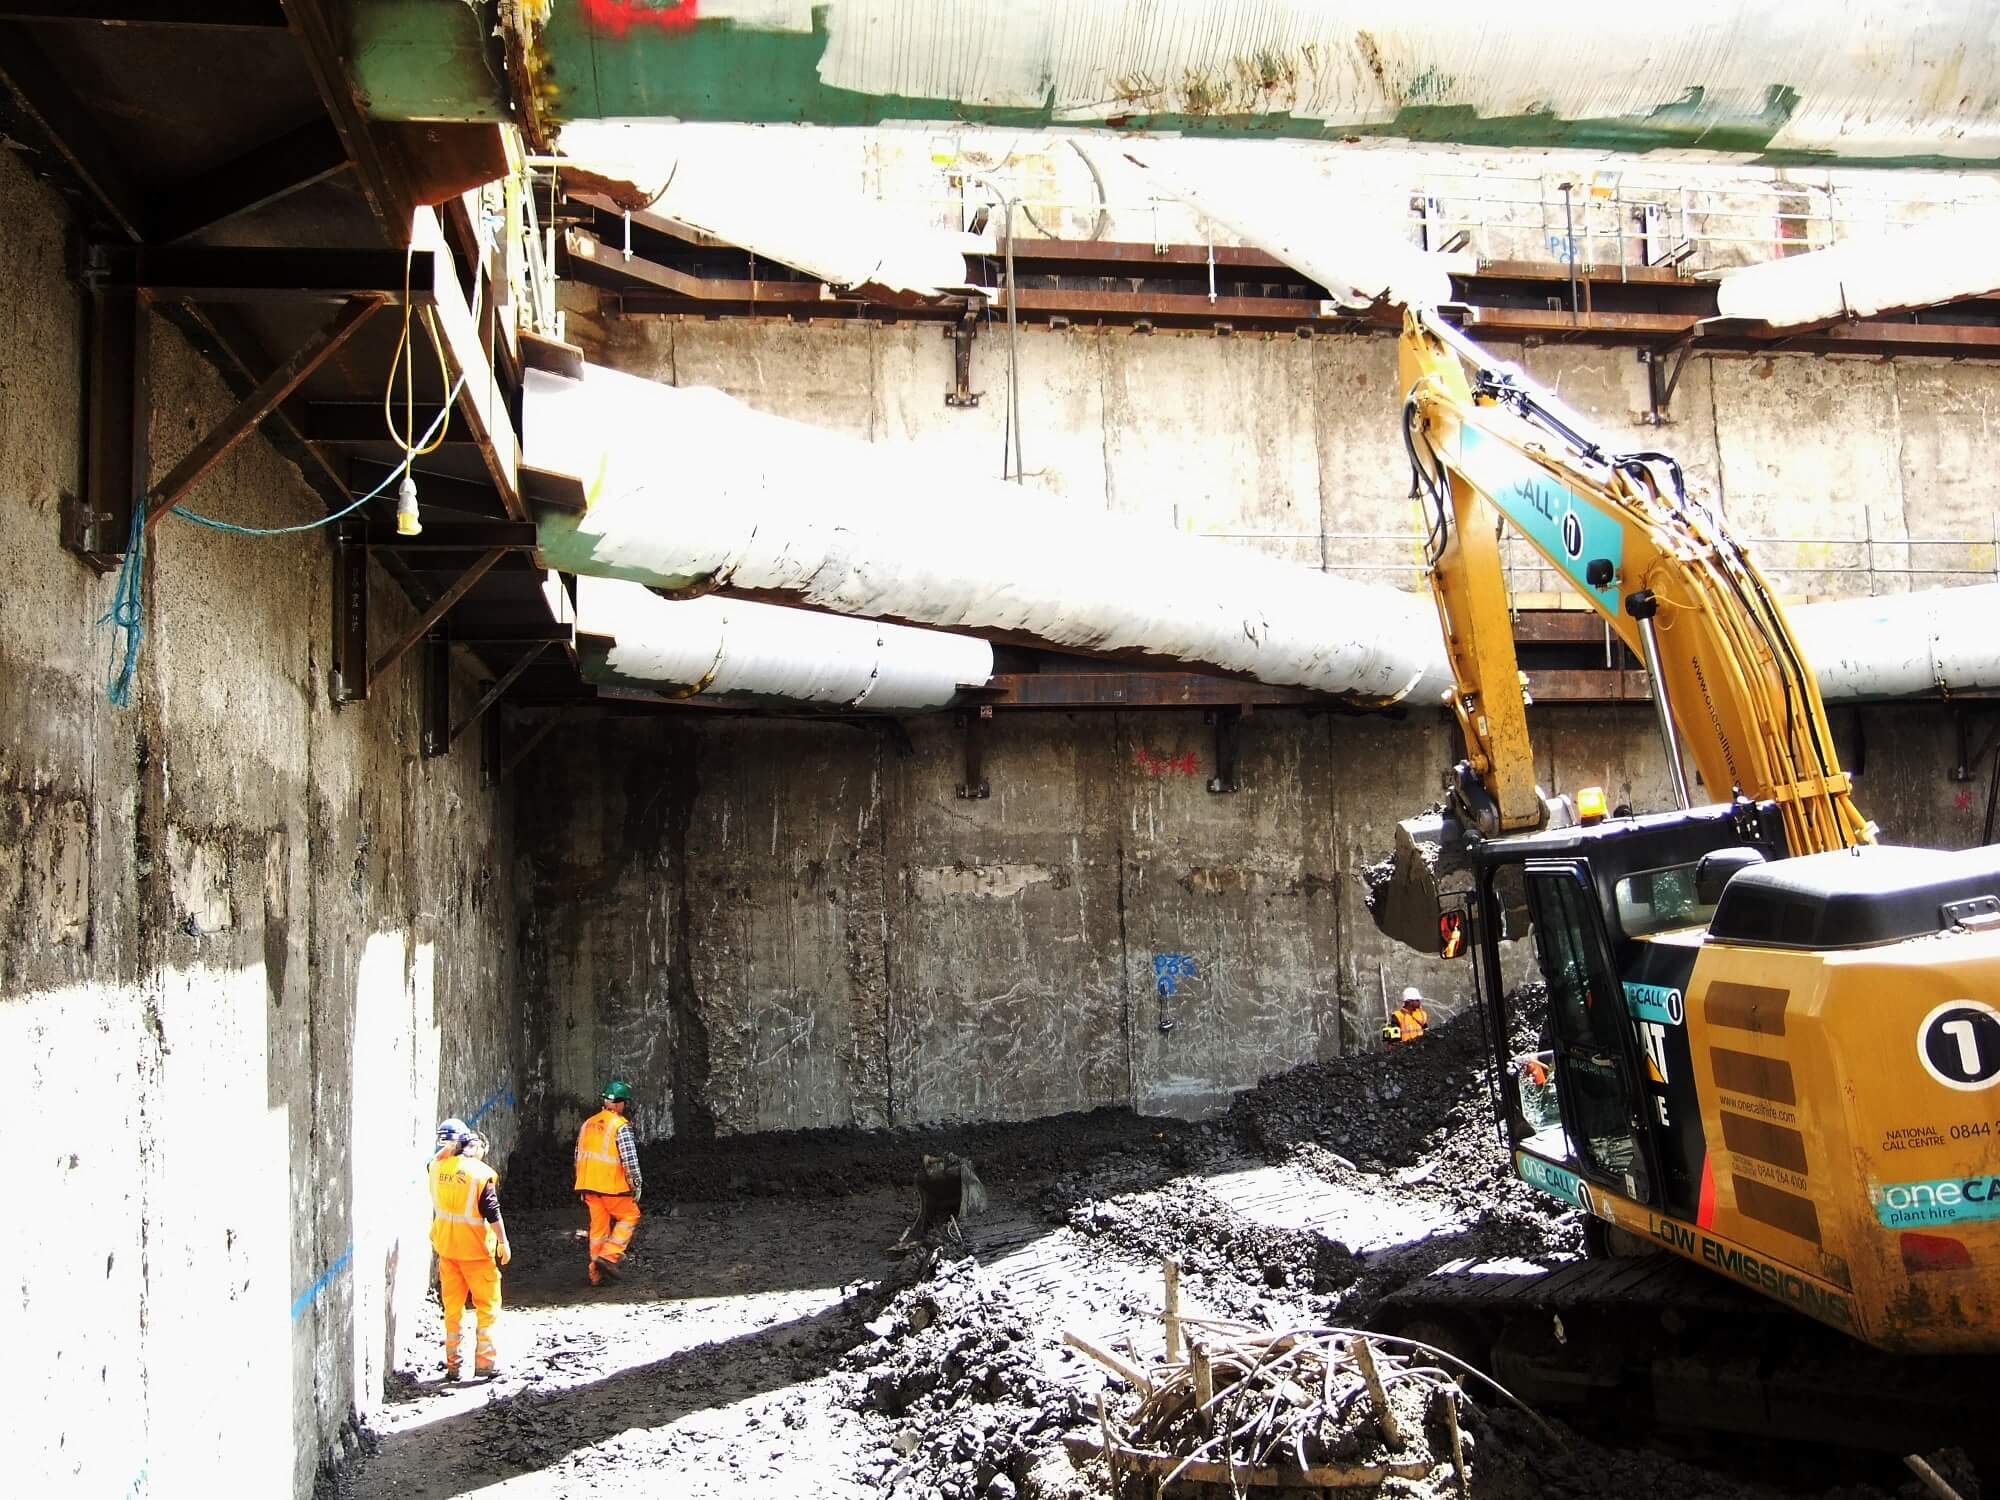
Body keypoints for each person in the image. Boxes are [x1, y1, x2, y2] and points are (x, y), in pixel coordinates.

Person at [429, 1119, 510, 1380]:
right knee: (487, 1306)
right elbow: (492, 1211)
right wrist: (503, 1241)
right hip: (475, 1252)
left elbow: (438, 1157)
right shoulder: (479, 1173)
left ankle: (454, 1364)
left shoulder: (435, 1167)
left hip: (447, 1250)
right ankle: (486, 1363)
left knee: (452, 1308)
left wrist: (448, 1145)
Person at [574, 1080, 642, 1286]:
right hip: (612, 1187)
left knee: (598, 1230)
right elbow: (629, 1159)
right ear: (621, 1104)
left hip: (588, 1186)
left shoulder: (587, 1124)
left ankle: (596, 1275)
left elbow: (578, 1156)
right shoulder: (620, 1126)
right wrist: (636, 1184)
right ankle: (610, 1256)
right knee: (630, 1215)